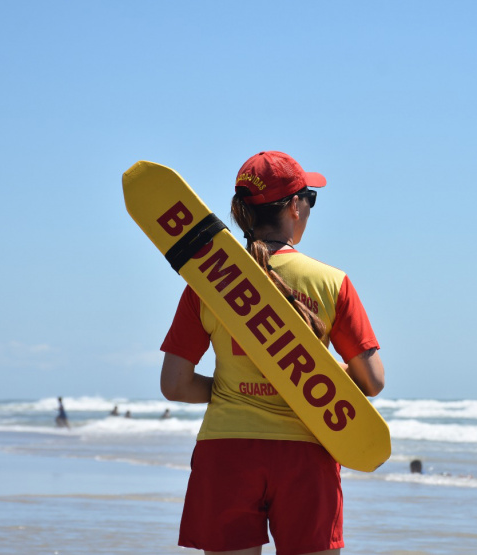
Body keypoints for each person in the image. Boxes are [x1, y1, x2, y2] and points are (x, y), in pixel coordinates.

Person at [160, 151, 385, 555]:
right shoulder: (332, 283)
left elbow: (174, 384)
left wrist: (235, 388)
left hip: (226, 450)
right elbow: (372, 381)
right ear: (295, 207)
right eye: (310, 199)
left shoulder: (206, 283)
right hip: (306, 452)